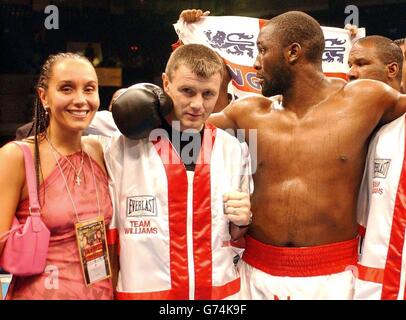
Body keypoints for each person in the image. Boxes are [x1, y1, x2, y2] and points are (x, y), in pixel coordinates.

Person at [118, 11, 406, 299]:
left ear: (293, 52)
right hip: (256, 274)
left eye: (263, 50)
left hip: (334, 276)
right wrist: (156, 86)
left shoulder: (364, 100)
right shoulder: (249, 112)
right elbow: (180, 125)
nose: (255, 62)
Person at [106, 44, 252, 300]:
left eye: (208, 94)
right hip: (145, 294)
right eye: (187, 91)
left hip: (219, 296)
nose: (197, 104)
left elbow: (237, 237)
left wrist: (243, 220)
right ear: (166, 83)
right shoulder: (121, 146)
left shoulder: (233, 149)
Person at [0, 53, 113, 299]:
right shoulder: (17, 157)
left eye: (89, 89)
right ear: (44, 97)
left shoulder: (97, 150)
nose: (81, 100)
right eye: (66, 88)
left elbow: (168, 124)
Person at [348, 36, 406, 299]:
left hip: (393, 271)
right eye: (350, 63)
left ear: (393, 70)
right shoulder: (350, 121)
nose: (350, 72)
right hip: (355, 268)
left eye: (360, 63)